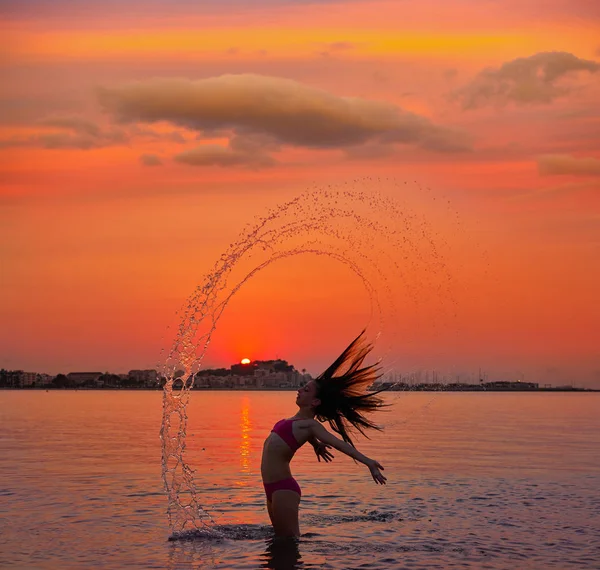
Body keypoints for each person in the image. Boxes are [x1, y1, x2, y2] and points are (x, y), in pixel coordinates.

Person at [260, 330, 388, 537]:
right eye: (303, 387)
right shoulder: (297, 423)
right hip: (270, 488)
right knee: (278, 546)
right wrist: (315, 445)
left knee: (289, 543)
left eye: (306, 390)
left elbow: (339, 443)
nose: (300, 390)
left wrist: (369, 462)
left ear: (315, 402)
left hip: (284, 488)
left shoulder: (310, 425)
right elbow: (299, 435)